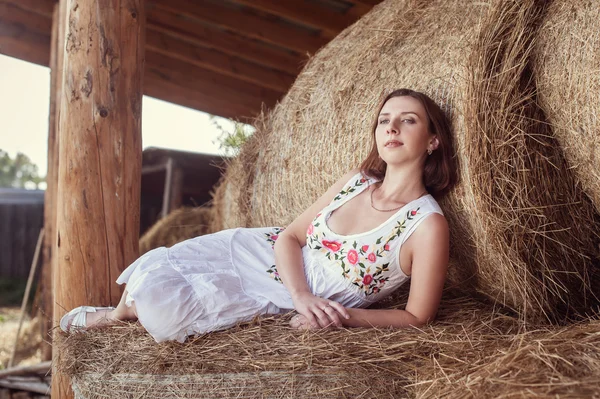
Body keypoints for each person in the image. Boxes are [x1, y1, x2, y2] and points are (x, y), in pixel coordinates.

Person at [60, 88, 458, 343]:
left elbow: (417, 315)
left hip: (298, 294)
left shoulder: (426, 225)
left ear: (433, 140)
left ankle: (125, 312)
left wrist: (341, 316)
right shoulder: (356, 180)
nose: (392, 128)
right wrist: (301, 293)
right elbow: (290, 237)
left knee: (167, 313)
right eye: (384, 120)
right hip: (269, 254)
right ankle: (116, 314)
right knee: (170, 263)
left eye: (408, 120)